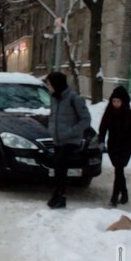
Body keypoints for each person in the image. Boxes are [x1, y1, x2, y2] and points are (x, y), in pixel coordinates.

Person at [98, 85, 131, 207]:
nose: (116, 104)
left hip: (126, 145)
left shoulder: (130, 114)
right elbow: (103, 128)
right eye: (114, 101)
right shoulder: (108, 113)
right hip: (113, 145)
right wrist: (101, 141)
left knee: (119, 169)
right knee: (119, 170)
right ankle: (125, 194)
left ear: (124, 102)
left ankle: (114, 197)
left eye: (118, 101)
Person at [45, 71, 91, 209]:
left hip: (70, 140)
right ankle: (60, 196)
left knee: (59, 163)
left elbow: (86, 119)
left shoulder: (73, 98)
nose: (48, 87)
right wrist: (51, 128)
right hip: (58, 139)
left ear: (56, 84)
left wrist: (71, 132)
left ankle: (58, 195)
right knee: (59, 168)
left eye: (49, 84)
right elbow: (53, 116)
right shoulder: (54, 98)